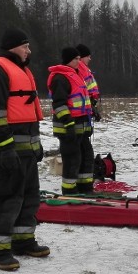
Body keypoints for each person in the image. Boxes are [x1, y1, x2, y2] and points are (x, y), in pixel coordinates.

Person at [0, 27, 47, 271]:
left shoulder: (21, 71)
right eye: (25, 46)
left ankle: (23, 240)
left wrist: (36, 145)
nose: (28, 51)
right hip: (5, 151)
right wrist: (5, 148)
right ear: (13, 47)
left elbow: (27, 114)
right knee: (5, 199)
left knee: (28, 197)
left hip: (25, 151)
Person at [48, 47, 94, 194]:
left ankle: (85, 188)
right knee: (72, 160)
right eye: (76, 59)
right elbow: (59, 105)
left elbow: (80, 101)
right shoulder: (60, 78)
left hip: (81, 127)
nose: (79, 61)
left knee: (86, 156)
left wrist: (93, 112)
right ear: (69, 59)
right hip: (68, 129)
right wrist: (68, 123)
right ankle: (69, 191)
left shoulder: (76, 75)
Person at [75, 44, 101, 122]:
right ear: (82, 57)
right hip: (84, 106)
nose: (90, 59)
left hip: (89, 104)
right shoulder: (80, 69)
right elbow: (81, 89)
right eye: (88, 56)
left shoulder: (84, 69)